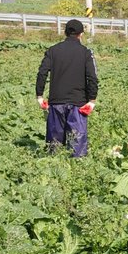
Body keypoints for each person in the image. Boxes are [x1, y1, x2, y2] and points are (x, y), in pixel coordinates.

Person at [35, 19, 98, 156]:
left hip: (56, 102)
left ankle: (53, 169)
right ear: (81, 34)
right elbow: (92, 77)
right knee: (77, 148)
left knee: (54, 147)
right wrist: (92, 100)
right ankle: (77, 171)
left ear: (65, 32)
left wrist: (39, 96)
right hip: (78, 104)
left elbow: (42, 72)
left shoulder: (53, 51)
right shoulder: (86, 53)